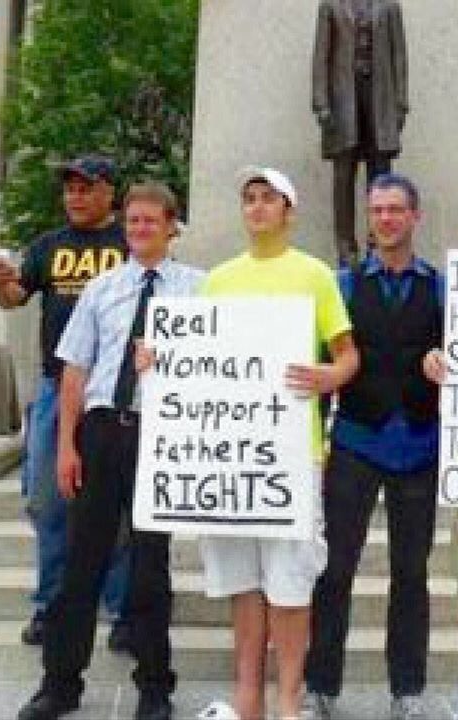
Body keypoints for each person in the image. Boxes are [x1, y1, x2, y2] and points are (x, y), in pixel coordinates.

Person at [16, 181, 204, 720]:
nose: (140, 229)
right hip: (101, 432)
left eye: (151, 221)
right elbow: (75, 370)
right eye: (133, 221)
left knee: (150, 567)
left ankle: (154, 687)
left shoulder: (199, 289)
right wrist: (66, 447)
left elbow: (215, 362)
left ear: (172, 227)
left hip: (160, 433)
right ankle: (60, 684)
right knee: (82, 561)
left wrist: (170, 358)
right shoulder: (102, 289)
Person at [198, 167, 359, 720]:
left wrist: (328, 375)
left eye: (269, 198)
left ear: (289, 211)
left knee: (291, 586)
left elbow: (347, 356)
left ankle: (289, 698)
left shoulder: (315, 275)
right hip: (229, 457)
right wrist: (157, 358)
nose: (258, 207)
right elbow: (197, 360)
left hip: (292, 453)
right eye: (249, 198)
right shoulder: (218, 280)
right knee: (243, 585)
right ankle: (248, 697)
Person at [302, 173, 444, 720]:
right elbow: (318, 361)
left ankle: (407, 690)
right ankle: (321, 685)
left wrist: (444, 363)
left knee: (411, 574)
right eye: (377, 210)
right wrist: (312, 444)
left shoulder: (442, 289)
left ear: (415, 216)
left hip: (420, 446)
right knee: (334, 569)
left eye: (395, 210)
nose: (385, 219)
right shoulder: (341, 285)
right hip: (355, 442)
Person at [0, 155, 135, 648]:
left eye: (85, 187)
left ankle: (122, 610)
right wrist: (0, 284)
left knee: (117, 505)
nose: (74, 196)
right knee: (45, 500)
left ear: (109, 192)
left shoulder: (129, 244)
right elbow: (14, 297)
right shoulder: (48, 246)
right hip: (57, 387)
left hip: (117, 393)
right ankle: (51, 606)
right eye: (69, 188)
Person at [312, 0, 408, 263]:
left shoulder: (389, 6)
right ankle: (346, 248)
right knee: (343, 177)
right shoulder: (331, 5)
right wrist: (321, 104)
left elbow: (399, 57)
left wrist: (401, 104)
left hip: (380, 99)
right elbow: (321, 57)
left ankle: (378, 246)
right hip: (342, 100)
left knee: (381, 176)